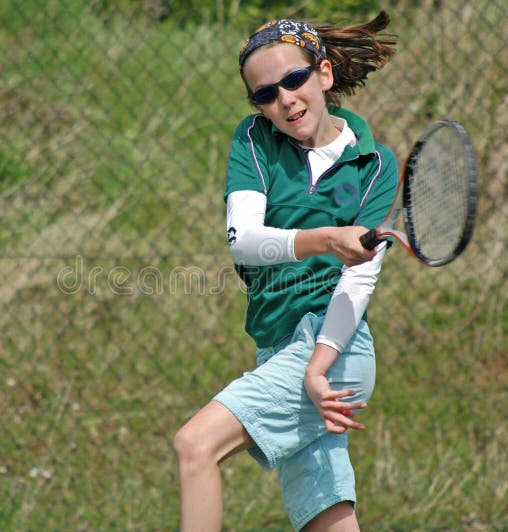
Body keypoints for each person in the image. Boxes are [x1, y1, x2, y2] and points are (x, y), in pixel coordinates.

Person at [174, 11, 398, 531]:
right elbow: (245, 242)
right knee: (328, 519)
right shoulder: (256, 140)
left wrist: (318, 367)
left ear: (322, 73)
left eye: (294, 79)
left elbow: (358, 281)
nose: (285, 99)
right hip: (277, 344)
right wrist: (326, 239)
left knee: (195, 445)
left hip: (335, 352)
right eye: (266, 93)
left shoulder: (376, 166)